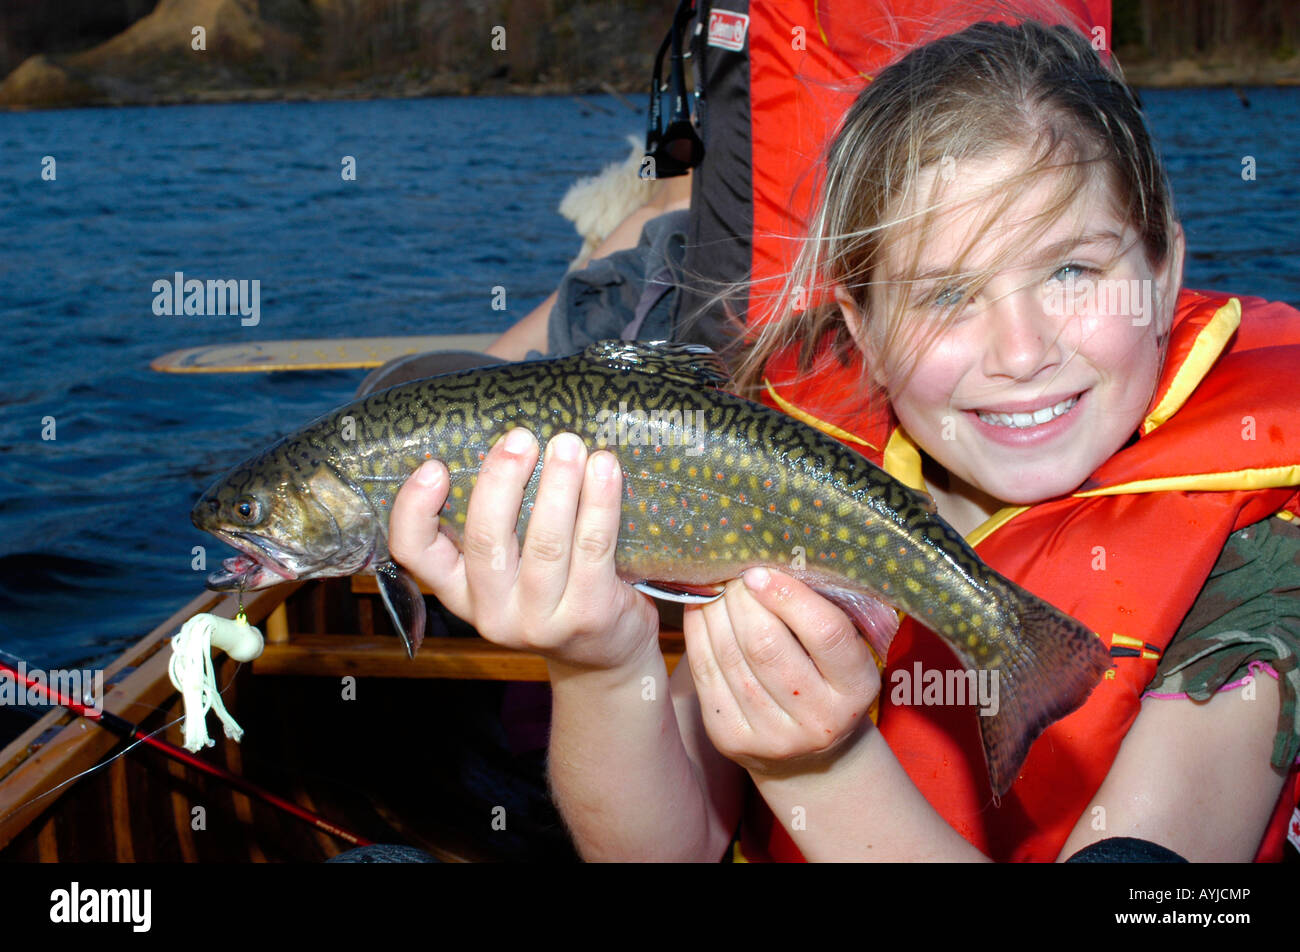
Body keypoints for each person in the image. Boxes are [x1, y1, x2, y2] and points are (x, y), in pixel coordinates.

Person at [386, 19, 1300, 861]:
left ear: (1165, 268)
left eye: (1071, 270)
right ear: (857, 328)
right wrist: (597, 659)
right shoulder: (788, 480)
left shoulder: (1267, 556)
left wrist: (818, 769)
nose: (1022, 353)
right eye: (945, 294)